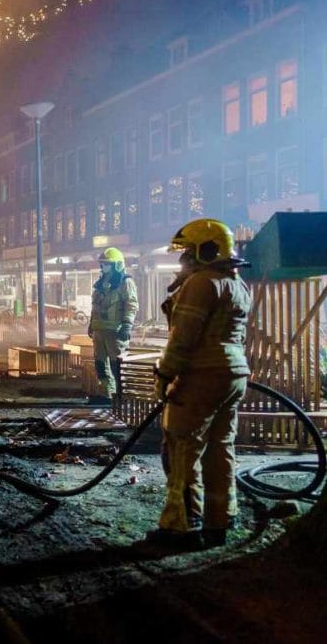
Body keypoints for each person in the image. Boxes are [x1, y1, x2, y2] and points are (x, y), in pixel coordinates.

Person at [148, 218, 251, 550]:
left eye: (188, 253)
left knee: (182, 447)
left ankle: (181, 526)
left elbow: (183, 338)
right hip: (233, 376)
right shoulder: (238, 284)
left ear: (206, 251)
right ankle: (220, 520)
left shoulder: (202, 283)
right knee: (221, 447)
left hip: (201, 376)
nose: (183, 261)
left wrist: (164, 375)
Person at [87, 247, 138, 401]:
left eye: (107, 264)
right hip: (99, 332)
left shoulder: (126, 282)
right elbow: (95, 306)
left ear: (117, 265)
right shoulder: (100, 284)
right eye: (102, 264)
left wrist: (127, 324)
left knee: (118, 367)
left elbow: (132, 304)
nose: (103, 267)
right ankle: (107, 395)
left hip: (116, 332)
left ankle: (121, 398)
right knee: (101, 366)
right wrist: (91, 324)